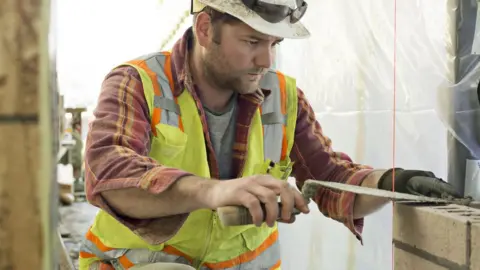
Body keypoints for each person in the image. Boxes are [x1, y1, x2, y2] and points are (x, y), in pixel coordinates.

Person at [79, 0, 462, 269]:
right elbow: (109, 173)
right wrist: (213, 191)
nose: (266, 60)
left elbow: (330, 179)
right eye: (252, 42)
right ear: (205, 28)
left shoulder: (283, 95)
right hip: (137, 263)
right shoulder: (137, 82)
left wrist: (394, 181)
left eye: (274, 44)